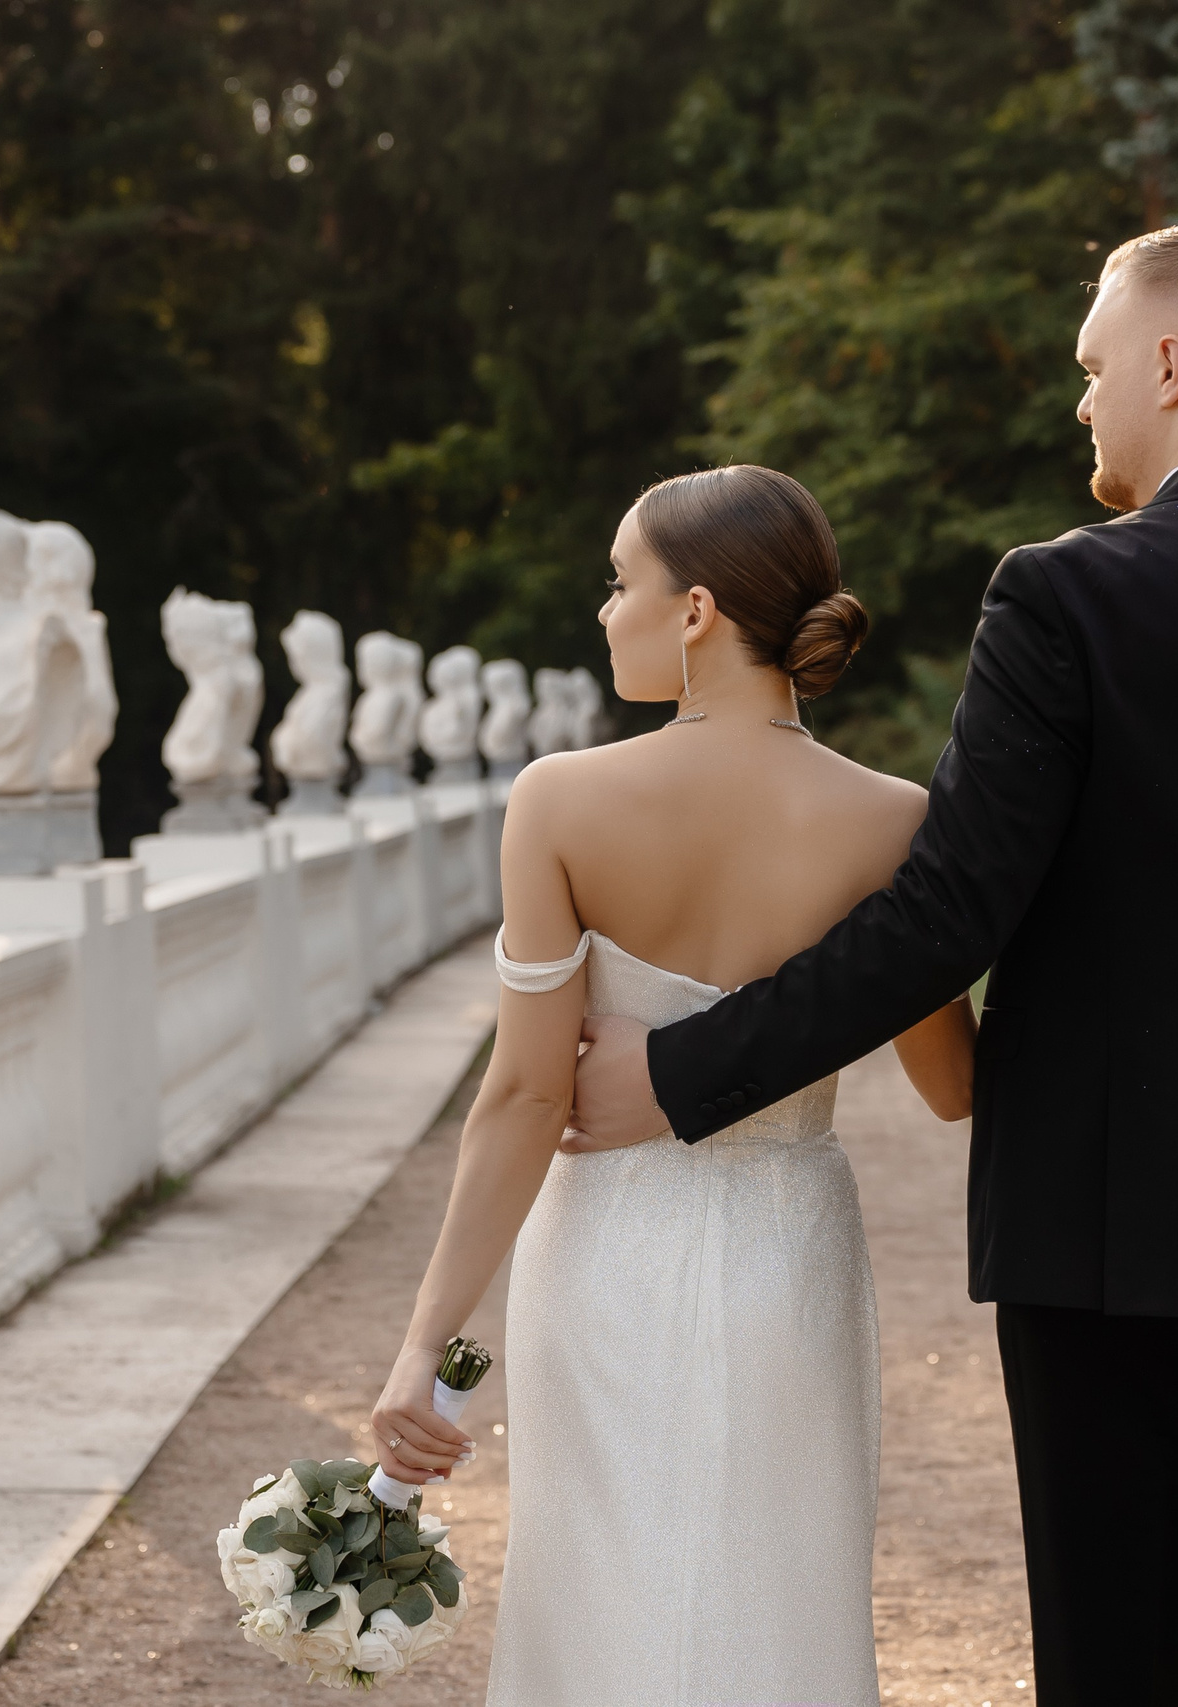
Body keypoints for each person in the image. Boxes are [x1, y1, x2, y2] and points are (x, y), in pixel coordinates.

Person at [567, 218, 1178, 1704]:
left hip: (1108, 1230)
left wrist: (676, 1073)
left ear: (1170, 358)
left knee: (1111, 1666)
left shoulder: (1064, 595)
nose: (1081, 401)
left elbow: (941, 919)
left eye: (1094, 366)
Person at [366, 465, 977, 1707]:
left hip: (599, 1258)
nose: (603, 610)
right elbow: (954, 1088)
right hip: (791, 1255)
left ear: (694, 611)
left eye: (617, 582)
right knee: (781, 1595)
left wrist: (424, 1345)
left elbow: (524, 1100)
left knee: (594, 1598)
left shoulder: (561, 801)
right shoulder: (895, 819)